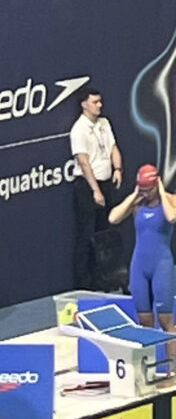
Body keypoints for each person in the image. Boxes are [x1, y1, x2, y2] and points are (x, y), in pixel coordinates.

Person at [109, 164, 176, 368]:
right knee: (144, 321)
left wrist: (162, 192)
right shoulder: (138, 204)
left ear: (156, 185)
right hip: (139, 265)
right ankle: (147, 368)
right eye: (142, 189)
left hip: (162, 265)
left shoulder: (170, 200)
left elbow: (172, 217)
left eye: (148, 189)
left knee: (166, 321)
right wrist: (134, 195)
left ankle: (174, 367)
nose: (145, 193)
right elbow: (113, 218)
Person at [70, 85, 124, 288]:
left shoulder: (104, 123)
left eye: (100, 101)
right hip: (87, 187)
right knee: (86, 235)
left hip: (105, 183)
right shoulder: (79, 130)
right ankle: (84, 283)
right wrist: (95, 190)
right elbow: (84, 162)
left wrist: (117, 169)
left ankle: (103, 278)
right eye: (95, 102)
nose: (99, 105)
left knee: (103, 234)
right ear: (84, 104)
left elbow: (113, 148)